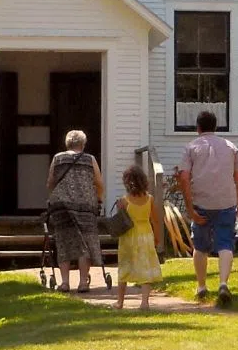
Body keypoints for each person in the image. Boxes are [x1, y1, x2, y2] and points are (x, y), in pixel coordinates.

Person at [177, 110, 238, 307]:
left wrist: (190, 208)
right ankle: (223, 283)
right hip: (226, 202)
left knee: (200, 246)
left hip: (202, 203)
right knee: (226, 243)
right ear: (216, 127)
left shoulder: (191, 147)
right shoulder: (231, 147)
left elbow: (183, 177)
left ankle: (201, 287)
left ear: (198, 127)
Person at [46, 129, 104, 292]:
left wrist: (53, 197)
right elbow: (99, 182)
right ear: (83, 144)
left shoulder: (58, 158)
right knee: (84, 243)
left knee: (63, 241)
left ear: (67, 143)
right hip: (86, 206)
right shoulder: (90, 159)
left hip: (62, 205)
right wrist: (99, 198)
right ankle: (83, 282)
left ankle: (64, 283)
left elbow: (50, 182)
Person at [114, 164, 162, 311]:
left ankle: (120, 302)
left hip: (128, 236)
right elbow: (155, 220)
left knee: (124, 267)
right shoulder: (150, 199)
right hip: (146, 234)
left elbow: (120, 220)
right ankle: (144, 302)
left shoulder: (124, 200)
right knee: (145, 268)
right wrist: (157, 238)